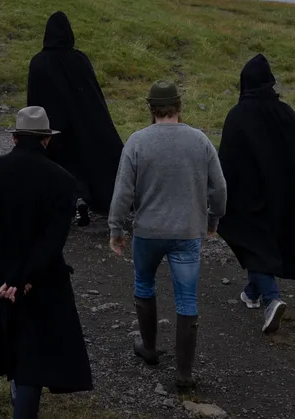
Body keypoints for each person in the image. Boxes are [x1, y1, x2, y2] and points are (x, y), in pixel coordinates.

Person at [0, 106, 93, 418]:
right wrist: (23, 276)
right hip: (42, 276)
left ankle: (18, 396)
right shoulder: (61, 180)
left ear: (14, 137)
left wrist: (7, 274)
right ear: (46, 140)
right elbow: (53, 240)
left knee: (12, 336)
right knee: (33, 350)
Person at [108, 80, 226, 391]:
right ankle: (184, 373)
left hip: (148, 232)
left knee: (144, 283)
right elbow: (220, 189)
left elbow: (123, 192)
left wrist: (116, 228)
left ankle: (149, 348)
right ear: (179, 107)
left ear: (151, 108)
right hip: (187, 232)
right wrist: (213, 220)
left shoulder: (137, 142)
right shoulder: (199, 140)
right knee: (186, 298)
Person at [217, 54, 295, 335]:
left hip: (247, 199)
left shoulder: (238, 115)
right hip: (283, 196)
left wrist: (217, 200)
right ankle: (252, 292)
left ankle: (271, 298)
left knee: (249, 240)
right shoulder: (287, 113)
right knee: (261, 244)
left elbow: (226, 161)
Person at [26, 11, 124, 226]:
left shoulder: (39, 62)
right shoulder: (79, 59)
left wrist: (33, 130)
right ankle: (94, 200)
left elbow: (33, 100)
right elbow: (94, 94)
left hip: (54, 128)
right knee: (88, 163)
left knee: (59, 166)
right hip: (84, 123)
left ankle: (71, 201)